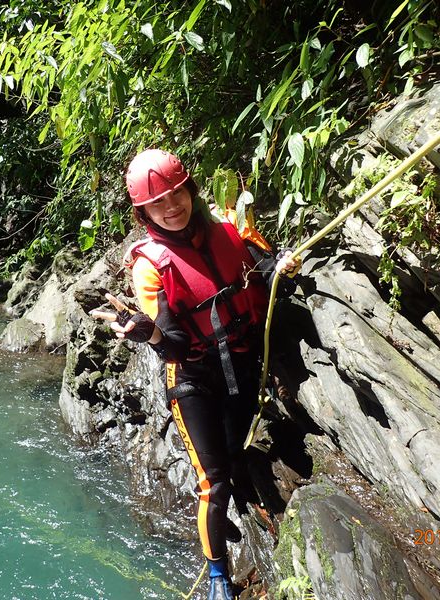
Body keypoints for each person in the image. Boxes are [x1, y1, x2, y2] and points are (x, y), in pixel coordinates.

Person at [91, 149, 301, 600]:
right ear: (143, 211)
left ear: (190, 189)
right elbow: (176, 346)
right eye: (157, 203)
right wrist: (147, 334)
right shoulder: (150, 265)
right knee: (214, 480)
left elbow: (261, 268)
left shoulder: (229, 226)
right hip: (193, 379)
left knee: (235, 452)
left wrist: (281, 262)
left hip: (243, 362)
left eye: (175, 193)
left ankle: (237, 503)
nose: (170, 207)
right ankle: (218, 575)